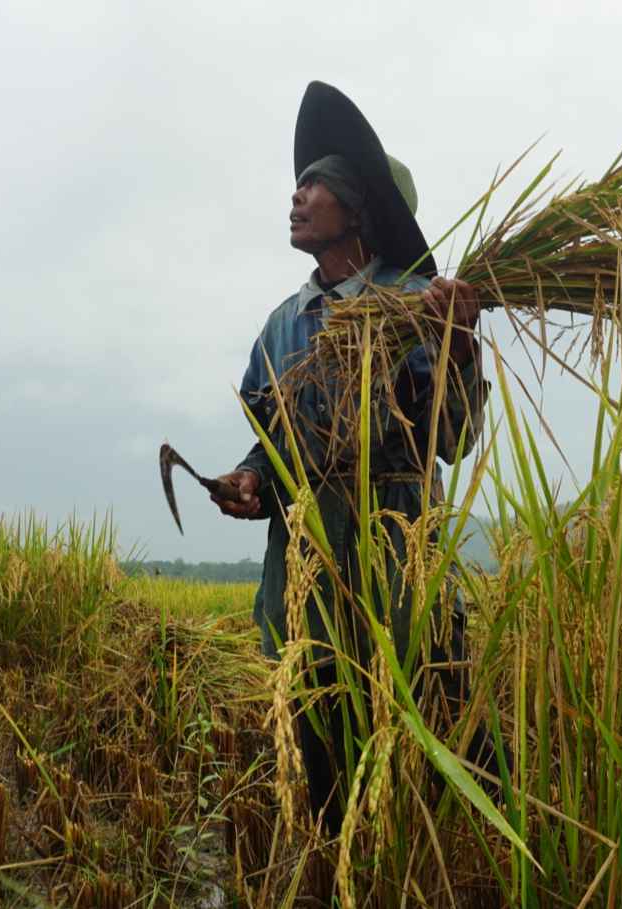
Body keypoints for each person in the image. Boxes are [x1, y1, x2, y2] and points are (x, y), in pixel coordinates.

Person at [211, 81, 490, 834]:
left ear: (357, 208)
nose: (295, 197)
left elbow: (457, 441)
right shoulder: (281, 328)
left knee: (439, 774)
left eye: (314, 185)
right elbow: (271, 447)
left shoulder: (425, 302)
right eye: (298, 185)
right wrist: (250, 482)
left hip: (405, 582)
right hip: (310, 588)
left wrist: (459, 344)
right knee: (329, 791)